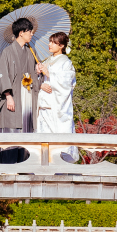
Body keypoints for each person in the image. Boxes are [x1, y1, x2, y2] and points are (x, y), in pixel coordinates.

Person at [0, 19, 42, 161]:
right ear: (21, 33)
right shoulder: (7, 52)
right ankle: (9, 170)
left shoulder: (31, 52)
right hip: (13, 98)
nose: (32, 34)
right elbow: (1, 75)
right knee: (12, 132)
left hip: (27, 99)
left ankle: (25, 170)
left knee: (26, 132)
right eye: (29, 31)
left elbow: (34, 76)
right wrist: (8, 96)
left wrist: (37, 72)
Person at [36, 31, 77, 161]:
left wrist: (50, 74)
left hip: (56, 108)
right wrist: (39, 78)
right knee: (43, 142)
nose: (50, 44)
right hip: (43, 108)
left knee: (57, 144)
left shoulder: (66, 62)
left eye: (54, 42)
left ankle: (58, 169)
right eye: (50, 41)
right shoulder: (47, 60)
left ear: (62, 46)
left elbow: (67, 83)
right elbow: (40, 81)